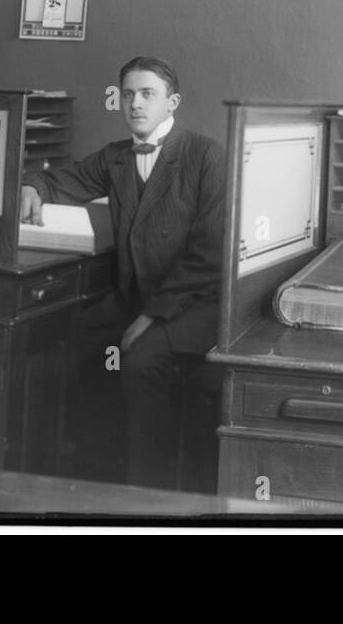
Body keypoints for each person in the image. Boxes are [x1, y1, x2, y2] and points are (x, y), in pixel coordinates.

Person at [20, 56, 225, 489]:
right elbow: (59, 180)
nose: (135, 104)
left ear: (173, 102)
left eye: (148, 94)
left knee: (139, 359)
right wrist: (31, 187)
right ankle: (85, 469)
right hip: (137, 298)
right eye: (128, 94)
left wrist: (149, 319)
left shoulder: (205, 155)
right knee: (69, 334)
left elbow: (208, 257)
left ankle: (146, 491)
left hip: (194, 306)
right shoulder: (115, 158)